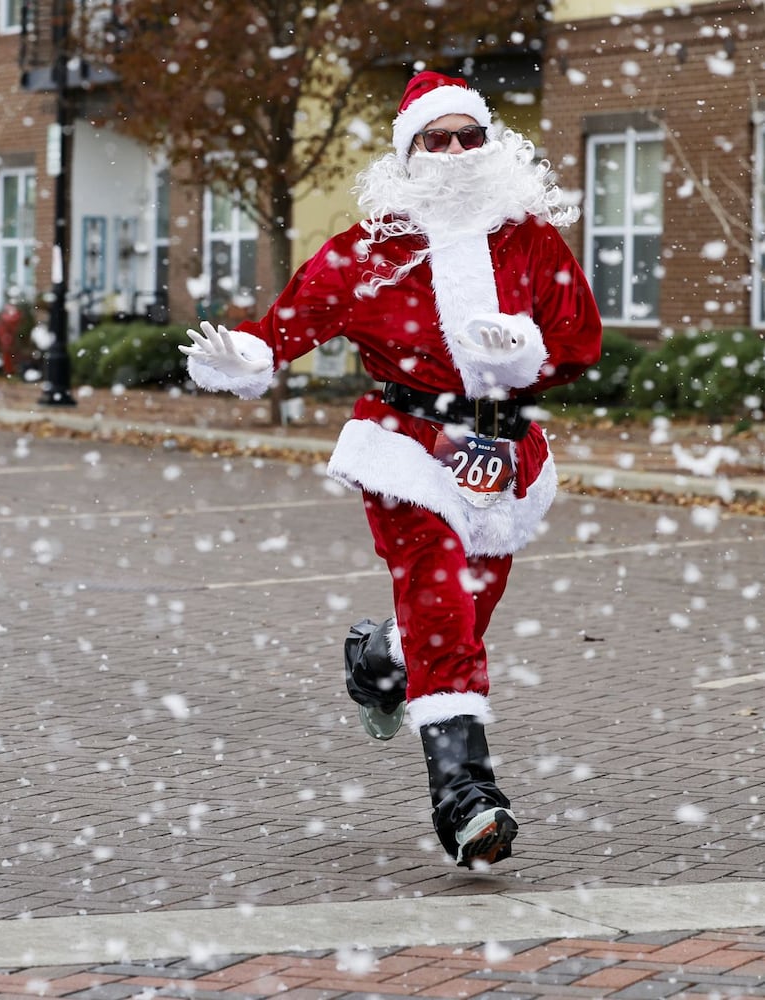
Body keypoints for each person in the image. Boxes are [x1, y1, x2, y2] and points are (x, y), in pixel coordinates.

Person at [181, 71, 602, 868]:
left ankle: (379, 658)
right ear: (408, 153)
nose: (452, 153)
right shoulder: (372, 250)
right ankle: (465, 795)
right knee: (442, 597)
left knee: (463, 614)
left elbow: (579, 339)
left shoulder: (531, 238)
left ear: (490, 145)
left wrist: (528, 352)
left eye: (467, 137)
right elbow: (287, 326)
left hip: (503, 453)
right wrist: (243, 354)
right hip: (411, 449)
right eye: (434, 139)